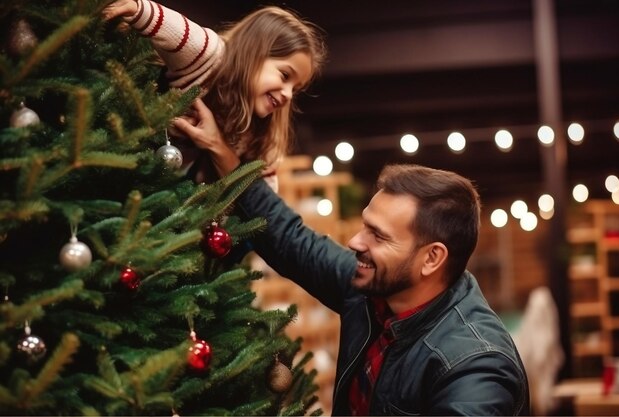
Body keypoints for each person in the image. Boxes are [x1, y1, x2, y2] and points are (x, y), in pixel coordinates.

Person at [172, 98, 531, 416]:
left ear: (432, 258)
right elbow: (293, 242)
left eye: (378, 236)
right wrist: (225, 155)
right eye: (365, 226)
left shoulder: (475, 366)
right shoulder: (371, 290)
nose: (356, 242)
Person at [102, 0, 327, 190]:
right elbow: (174, 27)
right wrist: (135, 9)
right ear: (254, 53)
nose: (288, 94)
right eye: (285, 75)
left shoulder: (261, 133)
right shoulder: (211, 57)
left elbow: (265, 199)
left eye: (295, 89)